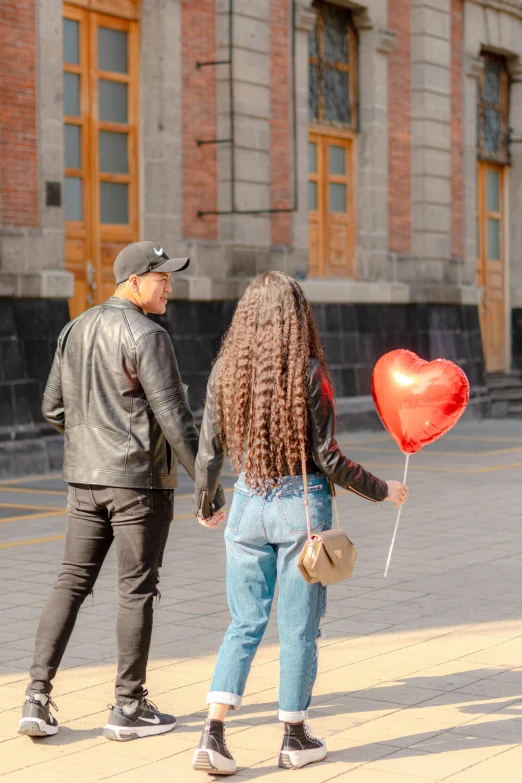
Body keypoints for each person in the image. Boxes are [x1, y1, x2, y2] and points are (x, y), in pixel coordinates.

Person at [191, 272, 408, 774]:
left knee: (244, 622)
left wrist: (206, 502)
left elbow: (209, 449)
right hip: (300, 508)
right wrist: (383, 489)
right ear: (297, 317)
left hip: (246, 502)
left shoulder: (226, 368)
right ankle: (293, 735)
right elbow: (328, 458)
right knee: (298, 628)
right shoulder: (308, 372)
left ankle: (213, 733)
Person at [18, 241, 223, 742]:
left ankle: (35, 699)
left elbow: (51, 407)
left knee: (71, 582)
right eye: (162, 279)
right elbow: (174, 415)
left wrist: (92, 443)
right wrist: (208, 487)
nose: (170, 288)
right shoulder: (147, 334)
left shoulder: (74, 328)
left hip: (85, 480)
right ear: (134, 281)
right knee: (137, 590)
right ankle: (128, 707)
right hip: (139, 484)